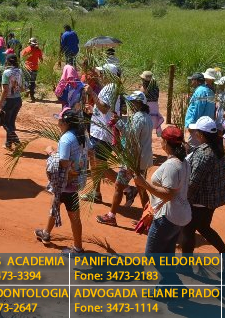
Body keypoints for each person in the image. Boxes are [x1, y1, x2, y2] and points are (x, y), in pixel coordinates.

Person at [34, 108, 89, 255]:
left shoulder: (66, 139)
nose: (57, 123)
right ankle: (46, 233)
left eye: (59, 120)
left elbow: (64, 162)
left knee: (73, 216)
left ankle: (78, 248)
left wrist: (51, 152)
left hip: (66, 183)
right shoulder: (82, 135)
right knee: (55, 204)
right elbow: (90, 152)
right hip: (75, 181)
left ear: (65, 123)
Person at [96, 91, 153, 227]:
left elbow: (130, 135)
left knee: (119, 186)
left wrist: (118, 123)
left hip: (132, 160)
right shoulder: (147, 118)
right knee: (141, 188)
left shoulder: (138, 118)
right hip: (142, 159)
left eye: (132, 102)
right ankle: (148, 220)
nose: (129, 104)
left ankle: (111, 216)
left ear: (138, 103)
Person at [133, 125, 191, 255]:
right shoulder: (184, 162)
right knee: (167, 254)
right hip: (179, 215)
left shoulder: (172, 165)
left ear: (165, 142)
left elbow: (168, 195)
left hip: (168, 217)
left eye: (162, 139)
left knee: (151, 256)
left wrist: (144, 184)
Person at [181, 117, 225, 254]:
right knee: (204, 227)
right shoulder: (218, 148)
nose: (194, 133)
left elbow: (193, 182)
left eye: (196, 131)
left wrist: (183, 199)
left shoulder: (203, 154)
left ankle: (186, 263)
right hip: (213, 198)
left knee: (187, 230)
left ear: (201, 134)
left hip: (200, 200)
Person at [82, 64, 121, 203]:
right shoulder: (110, 87)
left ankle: (128, 188)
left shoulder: (110, 88)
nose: (100, 75)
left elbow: (105, 108)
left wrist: (92, 93)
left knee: (100, 166)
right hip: (99, 131)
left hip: (102, 133)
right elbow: (104, 110)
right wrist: (93, 110)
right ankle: (96, 193)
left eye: (103, 73)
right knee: (94, 163)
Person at [0, 54, 24, 150]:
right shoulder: (20, 71)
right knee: (11, 122)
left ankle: (17, 141)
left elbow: (5, 90)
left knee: (4, 122)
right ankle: (8, 144)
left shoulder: (6, 73)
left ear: (7, 61)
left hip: (9, 100)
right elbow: (22, 87)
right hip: (18, 99)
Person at [184, 72, 215, 147]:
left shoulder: (200, 91)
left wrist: (192, 124)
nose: (191, 82)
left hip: (198, 126)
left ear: (196, 81)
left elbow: (198, 109)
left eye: (192, 80)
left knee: (194, 147)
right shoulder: (210, 91)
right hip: (206, 125)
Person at [140, 71, 164, 136]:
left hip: (147, 106)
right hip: (155, 106)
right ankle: (158, 132)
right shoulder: (156, 87)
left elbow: (141, 97)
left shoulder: (144, 88)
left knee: (146, 121)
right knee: (154, 119)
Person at [21, 37, 44, 102]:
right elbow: (41, 59)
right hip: (35, 68)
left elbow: (22, 58)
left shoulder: (26, 49)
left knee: (26, 80)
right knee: (33, 82)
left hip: (27, 68)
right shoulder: (38, 50)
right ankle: (32, 96)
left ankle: (27, 90)